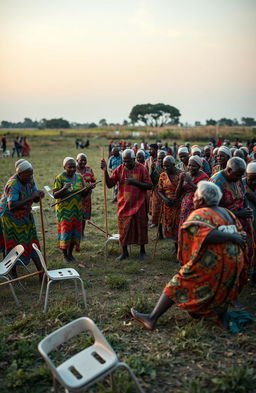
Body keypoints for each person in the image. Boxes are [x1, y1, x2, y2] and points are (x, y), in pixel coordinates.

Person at [131, 182, 246, 330]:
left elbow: (205, 233)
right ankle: (221, 319)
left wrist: (230, 237)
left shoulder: (201, 213)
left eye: (196, 196)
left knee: (179, 282)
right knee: (223, 287)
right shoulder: (227, 212)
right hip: (234, 263)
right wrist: (233, 237)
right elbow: (241, 233)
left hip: (214, 262)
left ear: (202, 200)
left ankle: (152, 318)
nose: (193, 199)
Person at [101, 149, 152, 260]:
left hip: (140, 203)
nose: (126, 163)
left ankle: (142, 251)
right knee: (123, 228)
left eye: (128, 161)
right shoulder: (120, 169)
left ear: (134, 159)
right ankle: (124, 252)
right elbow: (110, 184)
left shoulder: (142, 169)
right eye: (124, 161)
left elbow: (149, 185)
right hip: (124, 204)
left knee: (141, 227)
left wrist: (135, 182)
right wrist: (105, 171)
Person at [210, 157, 254, 277]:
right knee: (229, 254)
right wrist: (238, 214)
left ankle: (243, 273)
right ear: (229, 170)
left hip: (242, 221)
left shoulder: (236, 177)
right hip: (225, 225)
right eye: (237, 176)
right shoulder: (216, 183)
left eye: (241, 176)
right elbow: (212, 209)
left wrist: (246, 208)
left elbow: (243, 195)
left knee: (245, 249)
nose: (240, 179)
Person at [0, 160, 44, 278]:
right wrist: (31, 197)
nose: (31, 177)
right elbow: (12, 205)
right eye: (28, 175)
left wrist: (38, 195)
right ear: (20, 174)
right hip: (10, 218)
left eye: (32, 174)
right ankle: (12, 275)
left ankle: (42, 273)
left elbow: (34, 197)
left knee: (32, 240)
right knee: (12, 244)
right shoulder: (13, 184)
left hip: (25, 214)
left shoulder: (29, 180)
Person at [53, 157, 95, 266]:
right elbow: (55, 195)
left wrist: (89, 189)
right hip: (64, 211)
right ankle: (65, 256)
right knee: (66, 233)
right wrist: (63, 189)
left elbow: (83, 194)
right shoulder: (60, 178)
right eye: (69, 167)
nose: (72, 169)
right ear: (64, 167)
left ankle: (71, 254)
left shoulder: (79, 177)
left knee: (75, 233)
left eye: (73, 167)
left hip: (77, 210)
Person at [158, 156, 182, 244]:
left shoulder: (181, 174)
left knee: (178, 226)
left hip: (178, 205)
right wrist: (165, 199)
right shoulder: (163, 175)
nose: (165, 168)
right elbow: (159, 190)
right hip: (167, 204)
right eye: (164, 166)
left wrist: (179, 200)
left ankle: (179, 246)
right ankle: (175, 246)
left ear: (173, 165)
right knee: (170, 226)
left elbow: (185, 190)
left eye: (167, 166)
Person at [178, 156, 209, 226]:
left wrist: (190, 182)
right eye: (189, 165)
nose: (190, 168)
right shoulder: (186, 175)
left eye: (193, 166)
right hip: (185, 208)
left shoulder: (204, 177)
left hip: (197, 208)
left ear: (199, 166)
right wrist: (180, 181)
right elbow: (177, 195)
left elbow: (203, 193)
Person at [76, 153, 96, 238]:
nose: (83, 162)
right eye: (81, 160)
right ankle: (76, 233)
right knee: (77, 215)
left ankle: (81, 233)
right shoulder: (73, 169)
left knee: (84, 216)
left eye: (85, 160)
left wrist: (93, 185)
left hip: (87, 197)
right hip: (77, 196)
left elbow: (93, 180)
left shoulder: (89, 169)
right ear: (77, 160)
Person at [244, 162, 256, 283]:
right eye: (251, 179)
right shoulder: (239, 184)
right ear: (246, 174)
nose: (254, 182)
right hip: (244, 226)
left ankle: (253, 274)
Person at [149, 150, 166, 230]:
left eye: (163, 158)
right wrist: (152, 170)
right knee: (156, 210)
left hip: (166, 192)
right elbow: (151, 180)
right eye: (159, 158)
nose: (161, 160)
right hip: (157, 191)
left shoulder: (168, 167)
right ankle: (159, 230)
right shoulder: (155, 167)